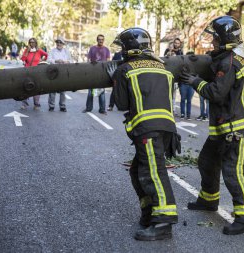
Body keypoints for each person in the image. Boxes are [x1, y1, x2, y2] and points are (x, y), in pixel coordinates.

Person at [179, 16, 244, 235]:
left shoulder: (230, 62)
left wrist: (194, 81)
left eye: (215, 38)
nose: (212, 42)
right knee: (207, 161)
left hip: (236, 129)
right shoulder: (228, 58)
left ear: (224, 39)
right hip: (225, 128)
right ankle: (208, 200)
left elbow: (216, 93)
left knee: (234, 171)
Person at [111, 27, 180, 241]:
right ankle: (149, 212)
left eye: (122, 47)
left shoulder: (125, 69)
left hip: (146, 129)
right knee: (137, 171)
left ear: (130, 48)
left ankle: (163, 223)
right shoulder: (164, 68)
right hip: (167, 128)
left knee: (153, 172)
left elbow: (121, 103)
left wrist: (115, 79)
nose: (121, 51)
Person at [82, 34, 110, 114]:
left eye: (102, 39)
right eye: (99, 39)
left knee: (102, 92)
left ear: (103, 41)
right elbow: (88, 60)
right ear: (97, 40)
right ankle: (88, 108)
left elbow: (108, 62)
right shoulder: (92, 49)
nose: (101, 41)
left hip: (102, 73)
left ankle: (102, 110)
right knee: (91, 91)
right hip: (92, 73)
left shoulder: (106, 50)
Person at [20, 38, 48, 110]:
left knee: (37, 87)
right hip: (27, 71)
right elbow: (23, 59)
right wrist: (27, 51)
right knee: (26, 87)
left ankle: (36, 104)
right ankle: (24, 103)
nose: (32, 44)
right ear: (29, 43)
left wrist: (42, 61)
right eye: (30, 42)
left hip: (36, 72)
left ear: (36, 43)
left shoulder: (39, 50)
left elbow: (46, 55)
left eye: (33, 42)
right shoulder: (27, 50)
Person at [47, 37, 72, 112]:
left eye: (60, 42)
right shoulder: (52, 51)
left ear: (63, 44)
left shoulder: (66, 51)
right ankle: (51, 106)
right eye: (58, 42)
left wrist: (66, 62)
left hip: (63, 72)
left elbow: (71, 61)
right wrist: (56, 61)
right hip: (53, 72)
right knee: (52, 90)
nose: (59, 44)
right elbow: (48, 60)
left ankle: (62, 106)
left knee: (63, 91)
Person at [164, 38, 183, 116]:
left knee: (174, 95)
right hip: (168, 75)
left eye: (178, 43)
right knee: (167, 94)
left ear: (180, 44)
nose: (176, 44)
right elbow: (164, 60)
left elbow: (181, 62)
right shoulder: (167, 50)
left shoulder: (180, 52)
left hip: (176, 77)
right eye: (175, 43)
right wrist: (169, 52)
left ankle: (174, 110)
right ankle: (167, 109)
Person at [179, 51, 195, 120]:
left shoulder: (195, 66)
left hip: (191, 85)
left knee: (189, 100)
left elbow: (197, 74)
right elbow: (179, 73)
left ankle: (188, 115)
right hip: (183, 84)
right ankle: (182, 114)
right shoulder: (183, 65)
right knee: (183, 99)